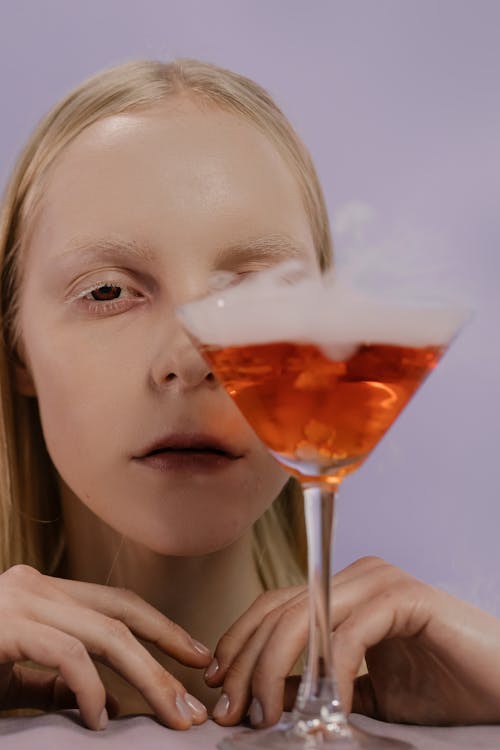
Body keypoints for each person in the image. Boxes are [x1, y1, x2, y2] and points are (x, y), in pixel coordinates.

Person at [0, 58, 499, 734]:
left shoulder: (460, 698)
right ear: (16, 347)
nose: (192, 360)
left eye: (255, 291)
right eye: (109, 292)